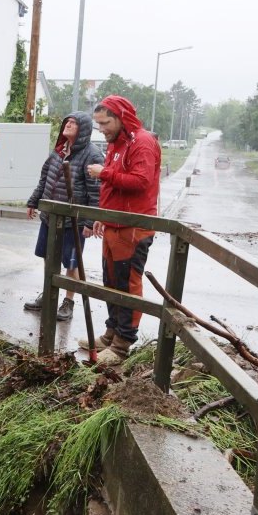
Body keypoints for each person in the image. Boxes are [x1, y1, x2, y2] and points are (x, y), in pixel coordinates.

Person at [83, 96, 162, 364]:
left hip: (134, 226)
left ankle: (121, 345)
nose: (101, 129)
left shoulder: (142, 142)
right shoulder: (116, 143)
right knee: (111, 281)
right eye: (98, 124)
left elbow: (141, 181)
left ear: (120, 117)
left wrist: (104, 173)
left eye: (105, 123)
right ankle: (110, 334)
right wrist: (103, 215)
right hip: (114, 224)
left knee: (127, 283)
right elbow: (115, 186)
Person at [23, 113, 104, 321]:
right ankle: (48, 294)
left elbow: (96, 192)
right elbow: (45, 179)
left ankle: (68, 302)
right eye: (67, 122)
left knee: (71, 263)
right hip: (50, 217)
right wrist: (33, 201)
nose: (68, 124)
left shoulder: (92, 155)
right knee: (48, 257)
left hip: (73, 221)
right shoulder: (59, 150)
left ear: (84, 129)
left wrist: (87, 220)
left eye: (74, 123)